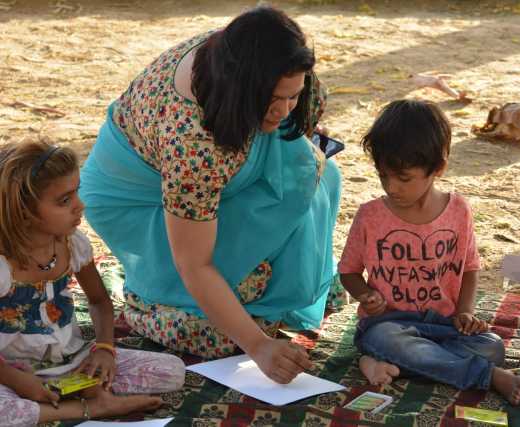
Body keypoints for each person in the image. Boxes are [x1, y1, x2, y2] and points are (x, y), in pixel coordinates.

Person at [79, 6, 342, 384]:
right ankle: (152, 302)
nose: (285, 111)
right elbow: (195, 264)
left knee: (314, 171)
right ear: (242, 89)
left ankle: (256, 285)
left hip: (209, 156)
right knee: (211, 332)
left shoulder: (265, 58)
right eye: (274, 100)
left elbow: (298, 119)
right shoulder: (193, 140)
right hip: (138, 199)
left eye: (293, 97)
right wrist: (257, 345)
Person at [338, 100, 520, 405]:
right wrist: (365, 295)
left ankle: (385, 364)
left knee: (492, 346)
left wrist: (465, 313)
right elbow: (348, 272)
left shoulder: (458, 210)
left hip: (444, 325)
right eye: (383, 175)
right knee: (383, 340)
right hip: (388, 324)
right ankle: (485, 375)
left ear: (437, 168)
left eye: (403, 178)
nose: (391, 187)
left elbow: (470, 268)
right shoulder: (370, 215)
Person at [0, 141, 185, 426]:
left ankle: (66, 395)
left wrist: (105, 349)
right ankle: (92, 408)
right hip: (10, 372)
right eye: (64, 201)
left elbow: (99, 301)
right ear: (23, 212)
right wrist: (18, 381)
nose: (80, 205)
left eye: (77, 191)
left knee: (172, 371)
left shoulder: (72, 245)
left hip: (72, 360)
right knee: (5, 411)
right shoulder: (3, 266)